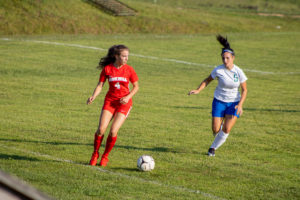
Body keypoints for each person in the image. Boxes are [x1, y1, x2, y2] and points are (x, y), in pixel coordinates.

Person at [188, 35, 248, 156]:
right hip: (219, 101)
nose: (225, 61)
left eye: (227, 58)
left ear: (233, 58)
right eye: (223, 58)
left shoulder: (238, 71)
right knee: (216, 130)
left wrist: (240, 105)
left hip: (234, 103)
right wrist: (198, 90)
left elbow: (244, 90)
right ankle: (219, 137)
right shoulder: (218, 70)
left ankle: (212, 149)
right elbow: (207, 80)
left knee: (227, 129)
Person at [87, 45, 139, 166]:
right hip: (110, 102)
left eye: (127, 56)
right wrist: (93, 96)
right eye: (124, 56)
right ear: (116, 56)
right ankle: (95, 153)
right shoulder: (107, 69)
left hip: (124, 104)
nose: (126, 58)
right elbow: (100, 85)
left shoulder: (129, 70)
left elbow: (136, 87)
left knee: (113, 131)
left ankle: (105, 156)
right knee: (100, 130)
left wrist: (127, 97)